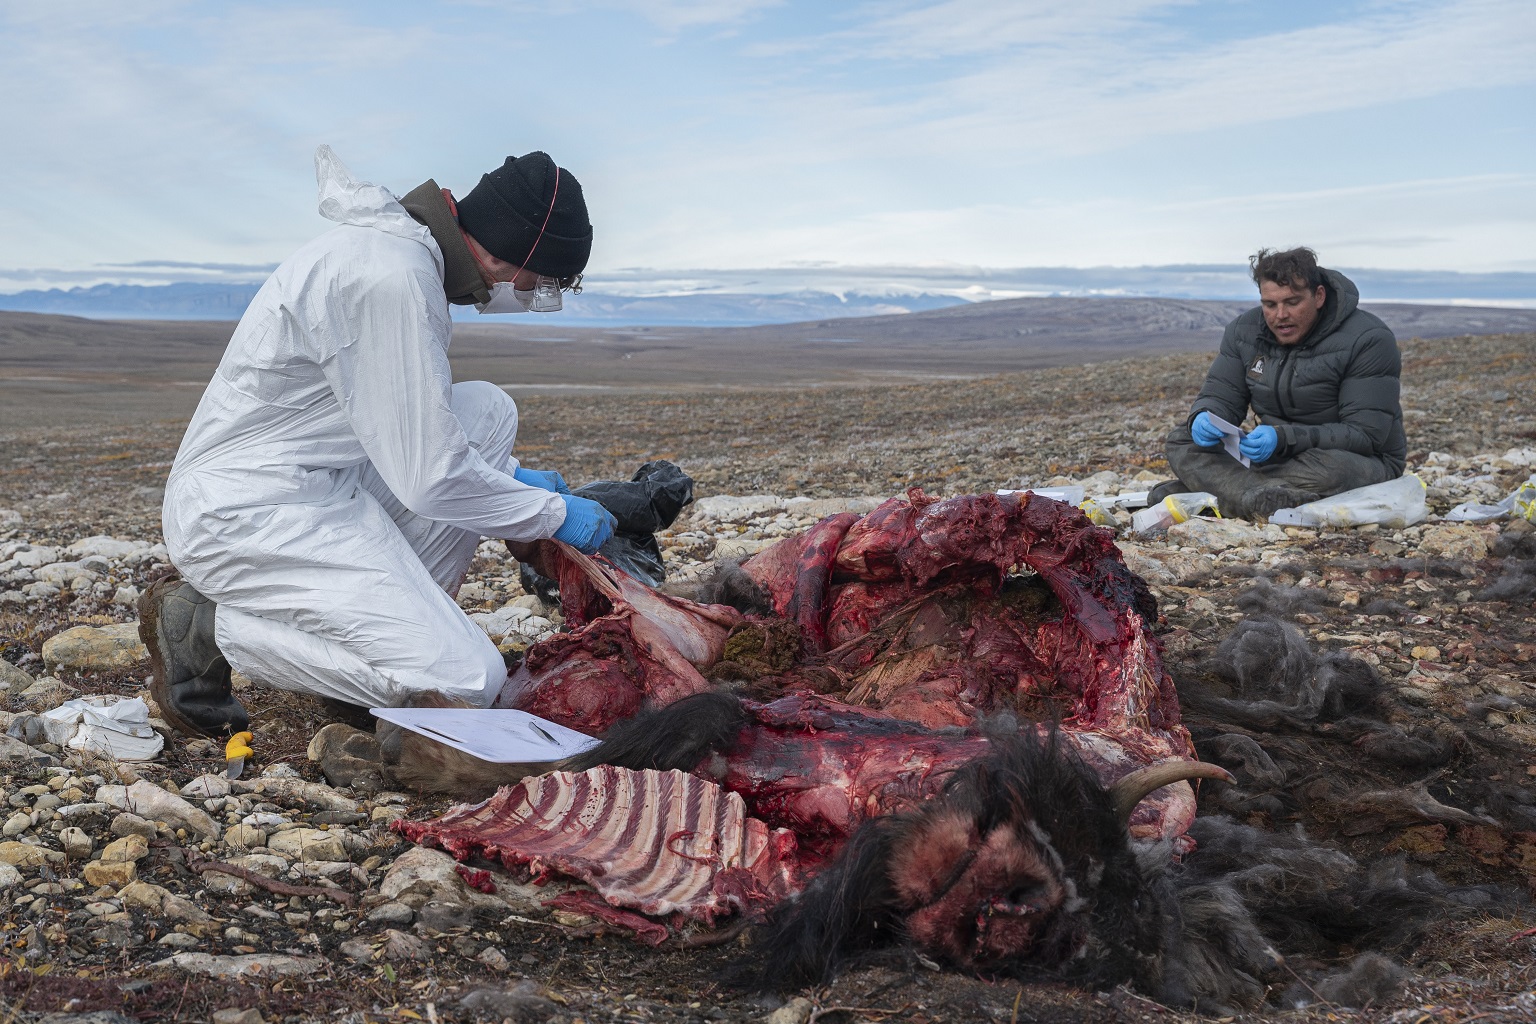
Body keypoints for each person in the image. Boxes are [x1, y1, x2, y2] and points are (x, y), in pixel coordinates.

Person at [139, 146, 618, 737]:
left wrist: (510, 483)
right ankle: (211, 628)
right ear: (511, 253)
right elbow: (430, 478)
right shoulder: (391, 279)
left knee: (487, 410)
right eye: (542, 279)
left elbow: (409, 431)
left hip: (318, 484)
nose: (535, 292)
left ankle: (376, 667)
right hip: (247, 513)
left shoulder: (403, 256)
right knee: (467, 683)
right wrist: (550, 513)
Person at [1151, 247, 1406, 522]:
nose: (1280, 315)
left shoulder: (1368, 339)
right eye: (1269, 304)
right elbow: (1222, 394)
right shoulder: (1243, 332)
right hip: (1273, 458)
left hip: (1353, 459)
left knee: (1333, 471)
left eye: (1292, 302)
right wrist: (1206, 414)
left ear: (1318, 296)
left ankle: (1214, 492)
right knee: (1183, 440)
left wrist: (1283, 438)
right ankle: (1261, 498)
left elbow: (1366, 434)